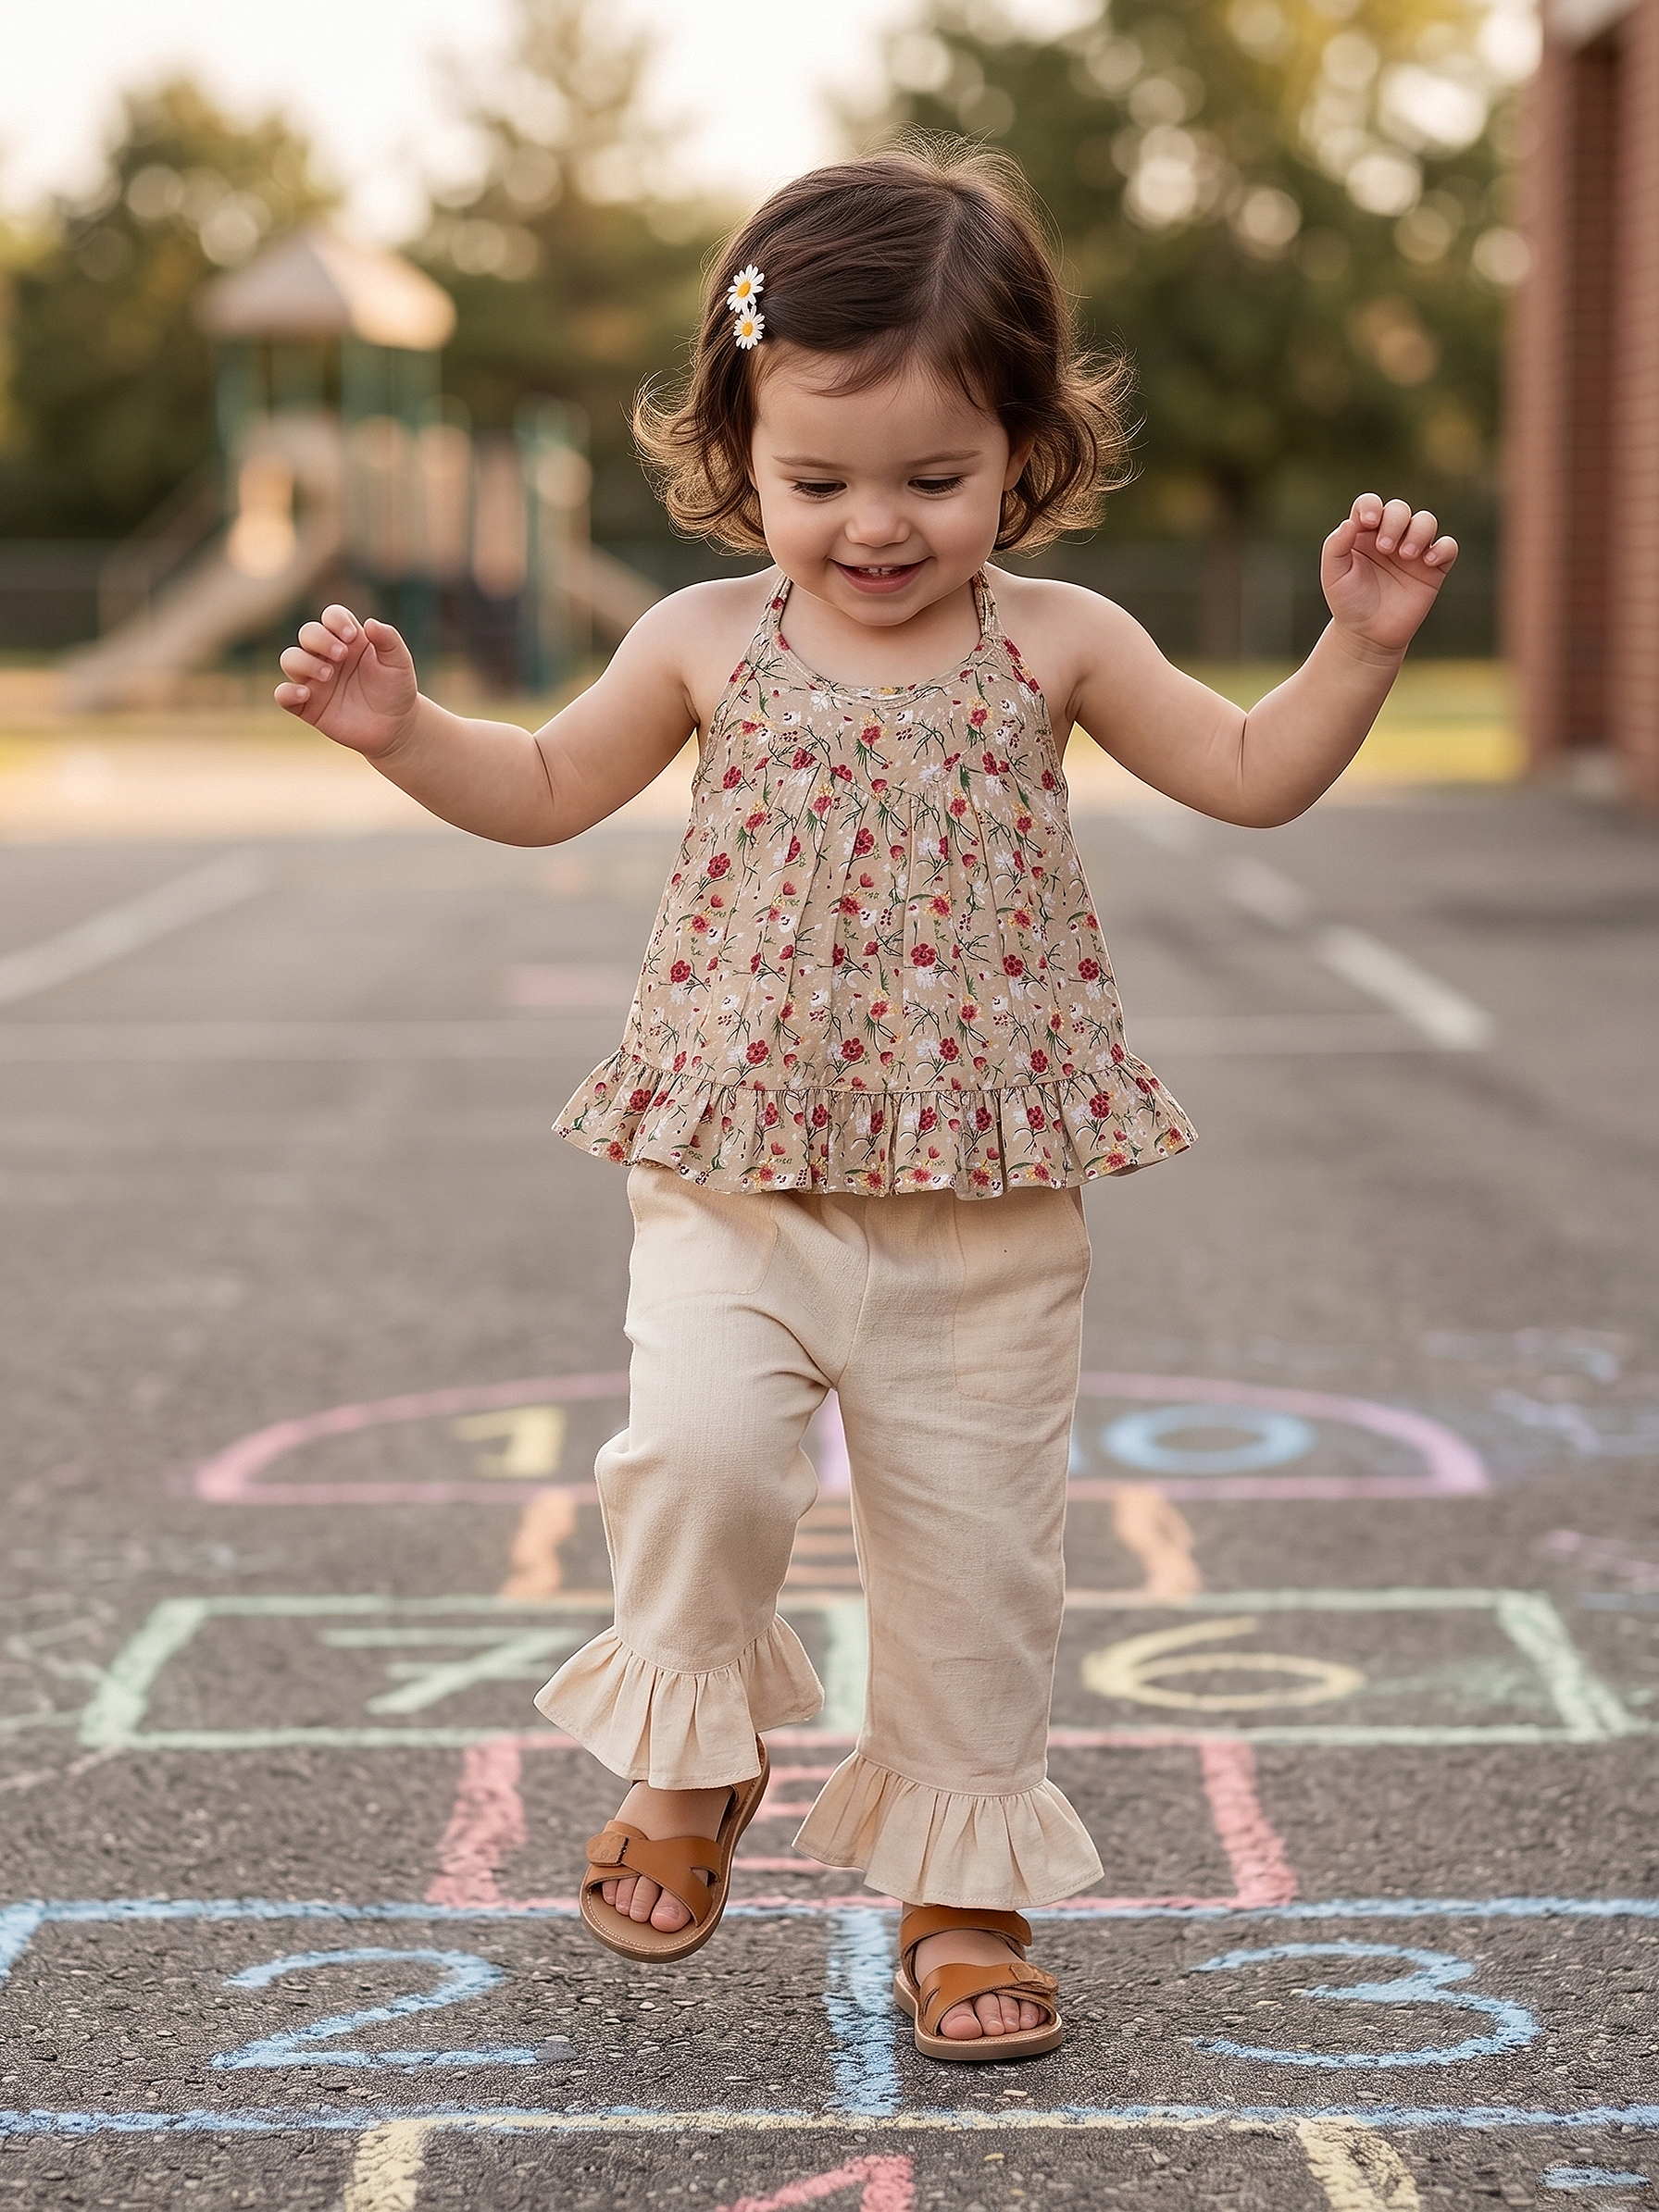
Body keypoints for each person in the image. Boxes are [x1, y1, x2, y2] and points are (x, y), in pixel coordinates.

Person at [275, 142, 1455, 2062]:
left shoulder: (1057, 643)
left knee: (975, 1569)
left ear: (1027, 454)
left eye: (935, 479)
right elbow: (547, 786)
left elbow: (1247, 774)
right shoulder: (697, 641)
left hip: (984, 1208)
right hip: (733, 1173)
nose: (877, 527)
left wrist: (1358, 648)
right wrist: (409, 734)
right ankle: (691, 1755)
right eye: (819, 483)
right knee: (699, 1462)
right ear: (743, 451)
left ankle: (960, 1889)